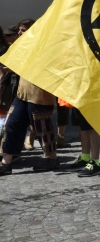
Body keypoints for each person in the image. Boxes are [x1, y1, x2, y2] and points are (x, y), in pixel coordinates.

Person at [0, 19, 60, 175]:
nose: (20, 33)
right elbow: (15, 67)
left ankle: (52, 158)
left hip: (40, 96)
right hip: (22, 95)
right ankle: (6, 162)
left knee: (43, 130)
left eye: (24, 30)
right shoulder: (22, 47)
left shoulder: (44, 48)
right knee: (12, 126)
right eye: (19, 30)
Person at [60, 99, 100, 177]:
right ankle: (85, 158)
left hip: (88, 95)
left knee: (91, 126)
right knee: (80, 124)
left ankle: (95, 162)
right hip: (77, 94)